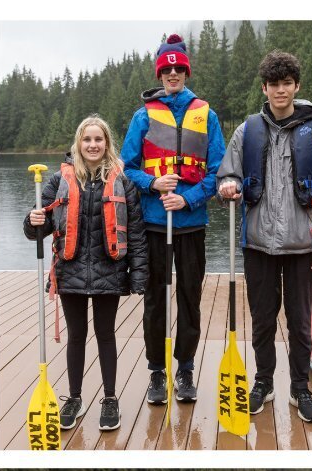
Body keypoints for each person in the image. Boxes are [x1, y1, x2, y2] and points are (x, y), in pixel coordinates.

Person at [217, 49, 312, 424]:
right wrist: (228, 185)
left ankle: (300, 388)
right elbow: (228, 173)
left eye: (287, 84)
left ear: (296, 86)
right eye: (274, 84)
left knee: (300, 322)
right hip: (258, 244)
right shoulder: (247, 131)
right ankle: (263, 382)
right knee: (262, 319)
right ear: (265, 87)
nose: (280, 91)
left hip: (303, 245)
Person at [23, 116, 148, 433]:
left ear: (107, 143)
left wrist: (139, 276)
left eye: (99, 139)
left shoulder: (123, 181)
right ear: (78, 144)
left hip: (109, 270)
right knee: (76, 337)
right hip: (70, 271)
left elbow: (135, 233)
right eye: (87, 140)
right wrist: (33, 220)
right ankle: (75, 398)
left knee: (106, 334)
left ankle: (109, 399)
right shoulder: (58, 181)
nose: (93, 145)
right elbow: (38, 230)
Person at [121, 33, 225, 408]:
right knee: (155, 299)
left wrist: (188, 197)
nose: (173, 74)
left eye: (179, 68)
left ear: (186, 71)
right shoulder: (142, 116)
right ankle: (156, 371)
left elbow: (218, 171)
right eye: (167, 69)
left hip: (192, 223)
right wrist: (153, 183)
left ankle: (184, 368)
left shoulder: (206, 115)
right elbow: (127, 168)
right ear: (160, 74)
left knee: (190, 299)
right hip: (153, 223)